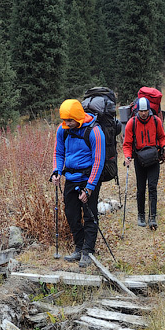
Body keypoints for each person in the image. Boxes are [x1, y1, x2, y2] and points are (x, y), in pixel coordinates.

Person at [50, 99, 106, 268]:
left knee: (89, 215)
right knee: (72, 214)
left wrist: (89, 189)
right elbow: (58, 153)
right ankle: (79, 247)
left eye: (70, 121)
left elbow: (98, 161)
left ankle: (88, 251)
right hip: (71, 178)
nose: (67, 124)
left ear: (78, 117)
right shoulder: (63, 130)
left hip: (89, 177)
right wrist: (56, 171)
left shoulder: (95, 132)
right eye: (65, 120)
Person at [122, 96, 165, 229]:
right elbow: (127, 144)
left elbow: (161, 137)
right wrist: (127, 156)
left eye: (146, 110)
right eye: (141, 111)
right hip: (139, 159)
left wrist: (164, 145)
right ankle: (141, 214)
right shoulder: (132, 123)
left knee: (153, 187)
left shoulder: (156, 121)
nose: (143, 113)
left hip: (154, 158)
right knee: (141, 188)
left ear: (149, 110)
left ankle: (152, 216)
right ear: (137, 110)